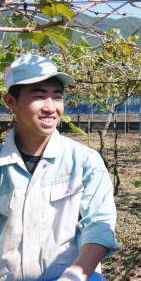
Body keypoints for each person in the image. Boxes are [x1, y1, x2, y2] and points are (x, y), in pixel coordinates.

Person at [0, 54, 120, 280]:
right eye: (39, 96)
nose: (50, 107)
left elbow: (99, 224)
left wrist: (75, 274)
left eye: (57, 97)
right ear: (11, 102)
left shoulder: (84, 160)